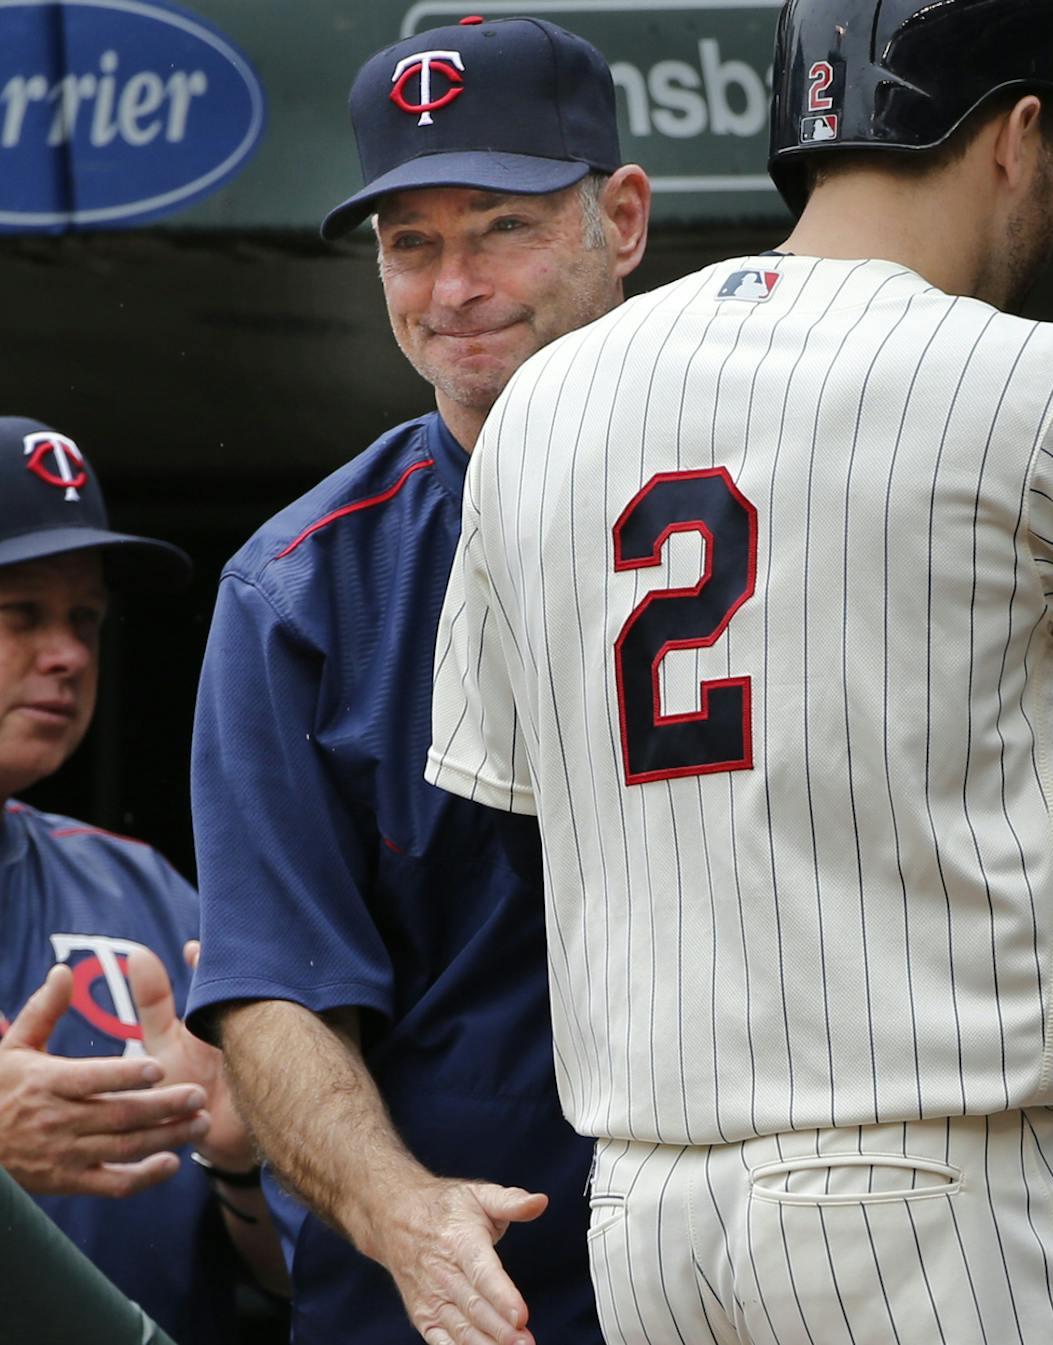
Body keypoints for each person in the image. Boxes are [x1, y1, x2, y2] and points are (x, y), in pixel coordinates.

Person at [427, 1, 1053, 1338]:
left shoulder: (542, 408)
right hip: (934, 1198)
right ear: (1017, 135)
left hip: (653, 1226)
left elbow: (510, 836)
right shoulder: (1032, 385)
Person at [181, 18, 651, 1345]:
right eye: (410, 243)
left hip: (773, 1269)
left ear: (621, 218)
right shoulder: (298, 585)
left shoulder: (797, 493)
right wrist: (403, 1216)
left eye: (500, 224)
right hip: (449, 1303)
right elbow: (273, 990)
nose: (452, 289)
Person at [0, 416, 283, 1340]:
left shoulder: (145, 891)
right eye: (22, 614)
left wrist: (244, 1164)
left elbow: (297, 1274)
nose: (69, 654)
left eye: (84, 618)